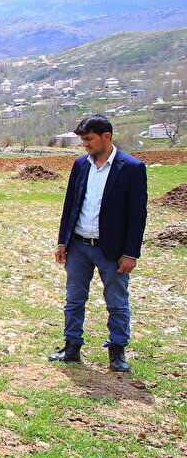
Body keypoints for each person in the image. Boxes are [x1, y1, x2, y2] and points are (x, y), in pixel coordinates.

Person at [49, 115, 147, 372]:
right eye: (82, 140)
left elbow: (138, 215)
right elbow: (69, 206)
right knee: (74, 299)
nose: (85, 145)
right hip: (79, 246)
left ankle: (117, 351)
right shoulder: (81, 165)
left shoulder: (132, 168)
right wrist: (62, 242)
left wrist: (130, 253)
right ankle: (72, 347)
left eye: (89, 139)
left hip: (112, 250)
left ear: (107, 137)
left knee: (116, 302)